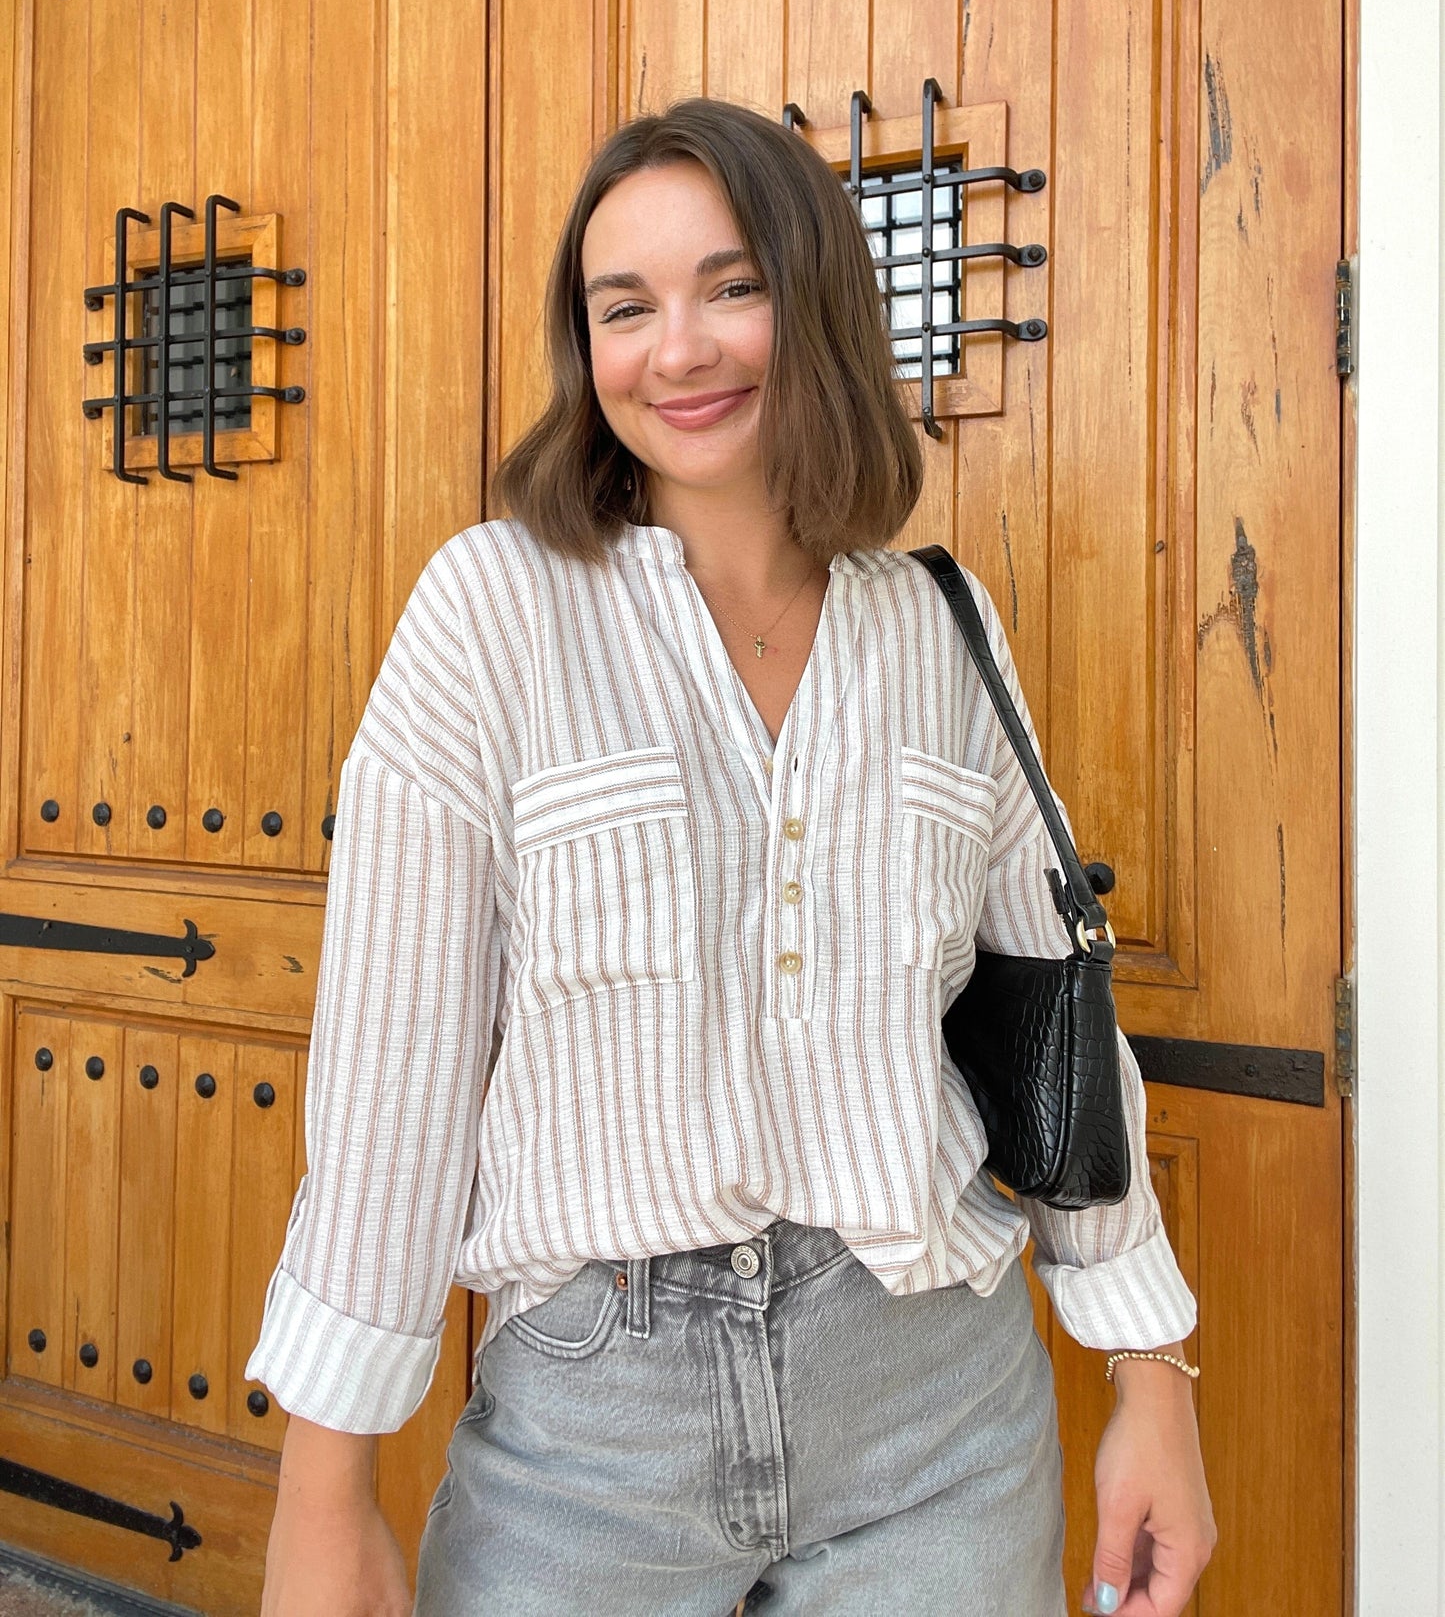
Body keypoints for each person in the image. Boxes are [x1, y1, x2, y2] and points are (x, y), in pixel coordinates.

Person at [247, 97, 1215, 1617]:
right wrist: (325, 1485)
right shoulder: (491, 610)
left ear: (815, 302)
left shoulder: (938, 626)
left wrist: (1149, 1375)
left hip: (938, 1408)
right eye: (623, 307)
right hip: (590, 1425)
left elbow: (1051, 1011)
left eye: (731, 285)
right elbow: (391, 1073)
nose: (676, 349)